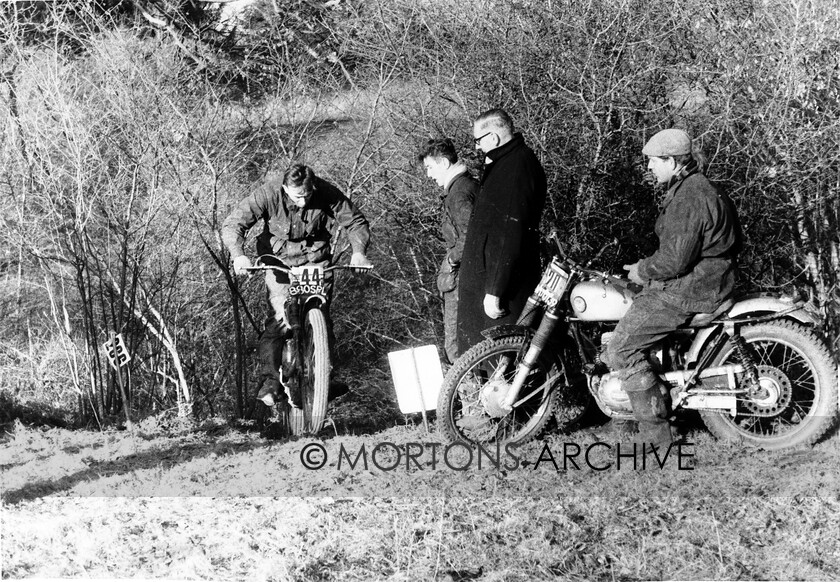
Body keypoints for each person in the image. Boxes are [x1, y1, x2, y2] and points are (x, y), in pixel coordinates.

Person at [604, 128, 741, 452]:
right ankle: (629, 411)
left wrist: (642, 270)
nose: (649, 168)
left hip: (693, 288)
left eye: (653, 161)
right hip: (710, 279)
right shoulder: (700, 187)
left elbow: (674, 260)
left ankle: (656, 437)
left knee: (622, 347)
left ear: (673, 161)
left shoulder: (690, 196)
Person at [222, 163, 372, 407]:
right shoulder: (268, 194)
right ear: (285, 188)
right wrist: (239, 254)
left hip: (316, 262)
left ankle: (325, 374)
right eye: (297, 197)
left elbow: (354, 221)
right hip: (280, 263)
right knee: (280, 318)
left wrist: (359, 252)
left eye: (307, 196)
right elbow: (233, 224)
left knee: (321, 316)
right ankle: (270, 380)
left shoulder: (326, 192)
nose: (303, 203)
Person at [457, 108, 547, 354]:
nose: (477, 148)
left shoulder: (515, 168)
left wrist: (496, 291)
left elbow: (509, 233)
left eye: (478, 141)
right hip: (493, 279)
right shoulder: (507, 163)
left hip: (504, 288)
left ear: (493, 138)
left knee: (504, 363)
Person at [418, 138, 477, 364]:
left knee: (455, 347)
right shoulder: (468, 185)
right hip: (469, 273)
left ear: (443, 163)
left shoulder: (459, 193)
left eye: (430, 167)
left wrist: (452, 260)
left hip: (462, 275)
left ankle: (471, 396)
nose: (429, 175)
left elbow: (469, 235)